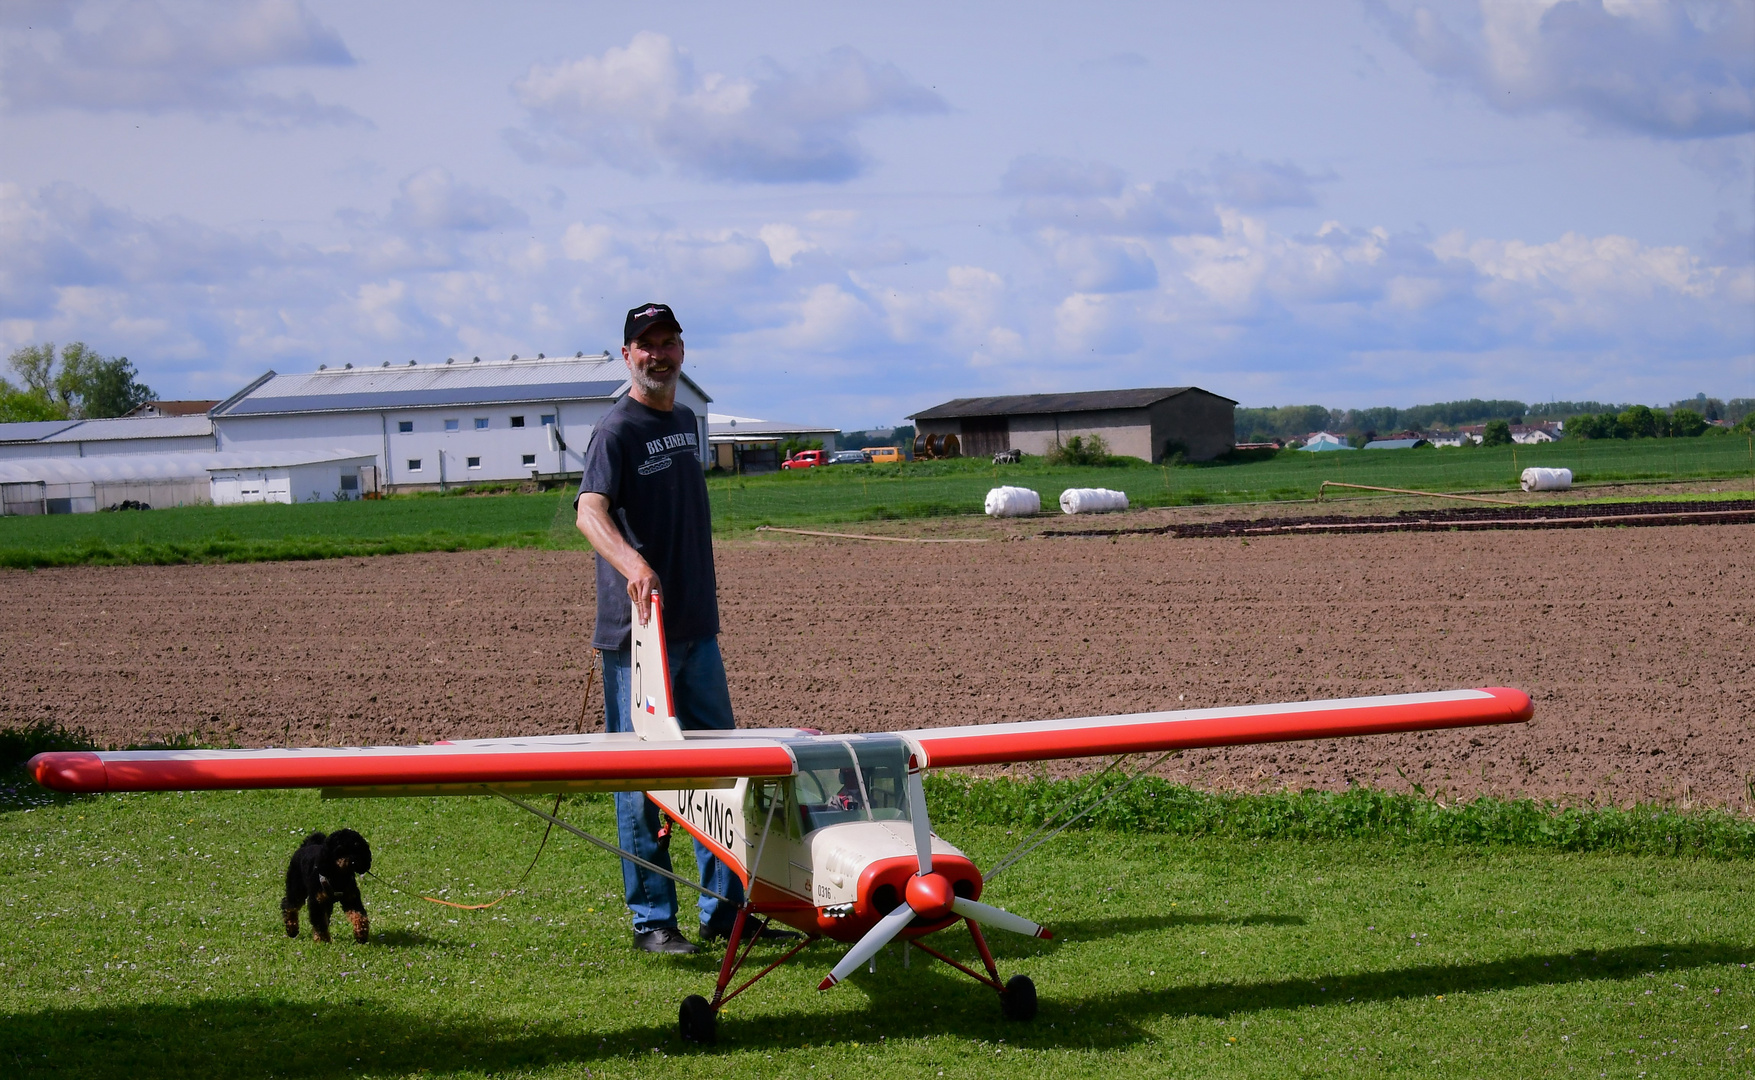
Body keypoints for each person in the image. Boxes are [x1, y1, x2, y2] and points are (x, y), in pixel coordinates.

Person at [574, 302, 733, 955]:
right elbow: (589, 513)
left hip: (696, 626)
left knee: (724, 770)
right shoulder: (616, 430)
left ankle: (725, 911)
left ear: (682, 351)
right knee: (641, 776)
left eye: (668, 343)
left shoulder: (688, 420)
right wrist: (633, 564)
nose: (658, 355)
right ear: (625, 356)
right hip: (638, 634)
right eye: (646, 346)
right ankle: (652, 921)